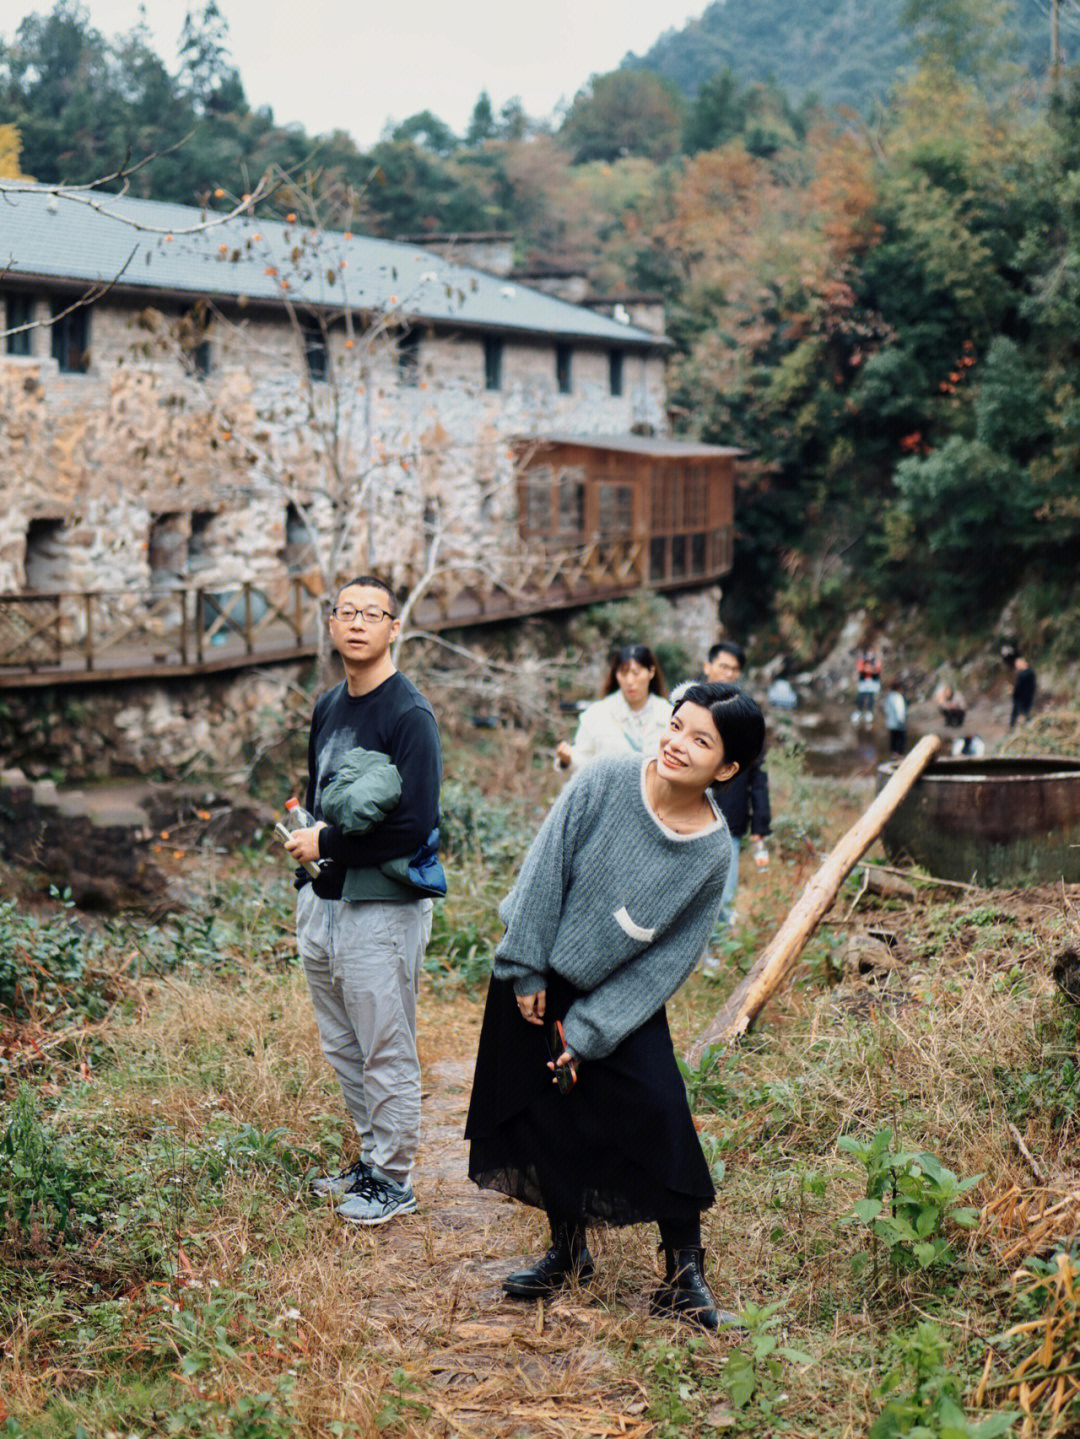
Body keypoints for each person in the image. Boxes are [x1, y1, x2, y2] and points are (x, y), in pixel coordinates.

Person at [466, 683, 766, 1330]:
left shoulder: (713, 851)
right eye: (677, 725)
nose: (677, 744)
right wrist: (524, 971)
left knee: (659, 1107)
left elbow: (669, 960)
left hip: (622, 997)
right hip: (538, 970)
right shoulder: (604, 781)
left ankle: (684, 1271)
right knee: (547, 1111)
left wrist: (596, 1025)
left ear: (728, 767)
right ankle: (568, 1252)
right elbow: (543, 872)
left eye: (700, 740)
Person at [284, 576, 442, 1227]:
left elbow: (416, 824)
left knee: (384, 1041)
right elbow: (320, 793)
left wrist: (328, 838)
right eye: (345, 612)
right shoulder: (329, 703)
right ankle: (371, 1159)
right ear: (332, 624)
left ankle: (396, 1178)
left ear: (392, 626)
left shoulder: (409, 714)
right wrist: (312, 842)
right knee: (344, 1042)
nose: (356, 624)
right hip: (325, 896)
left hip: (383, 904)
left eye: (370, 614)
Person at [696, 642, 770, 933]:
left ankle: (716, 953)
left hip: (730, 815)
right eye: (723, 666)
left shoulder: (746, 714)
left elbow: (757, 771)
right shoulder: (689, 706)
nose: (728, 673)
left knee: (724, 889)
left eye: (734, 669)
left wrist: (760, 819)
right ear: (708, 666)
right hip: (687, 812)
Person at [555, 644, 671, 771]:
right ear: (616, 675)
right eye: (624, 673)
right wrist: (567, 759)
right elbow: (583, 758)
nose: (630, 681)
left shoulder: (669, 715)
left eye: (636, 673)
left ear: (651, 672)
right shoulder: (597, 714)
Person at [851, 648, 881, 727]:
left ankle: (869, 713)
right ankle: (859, 711)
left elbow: (877, 669)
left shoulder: (875, 661)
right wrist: (868, 669)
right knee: (860, 698)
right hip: (863, 682)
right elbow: (860, 669)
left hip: (872, 683)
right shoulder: (862, 661)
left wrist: (870, 669)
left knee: (871, 698)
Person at [883, 680, 907, 756]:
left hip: (891, 723)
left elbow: (886, 710)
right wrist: (902, 719)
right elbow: (900, 709)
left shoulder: (889, 697)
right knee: (900, 739)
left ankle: (893, 753)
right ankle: (899, 754)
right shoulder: (898, 697)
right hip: (898, 723)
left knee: (893, 739)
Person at [1011, 655, 1036, 727]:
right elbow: (1033, 687)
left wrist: (1014, 692)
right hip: (1029, 697)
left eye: (1018, 664)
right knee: (1026, 713)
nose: (1017, 666)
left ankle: (1013, 729)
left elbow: (1018, 688)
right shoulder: (1032, 673)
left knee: (1017, 715)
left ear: (1024, 663)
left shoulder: (1022, 674)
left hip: (1020, 699)